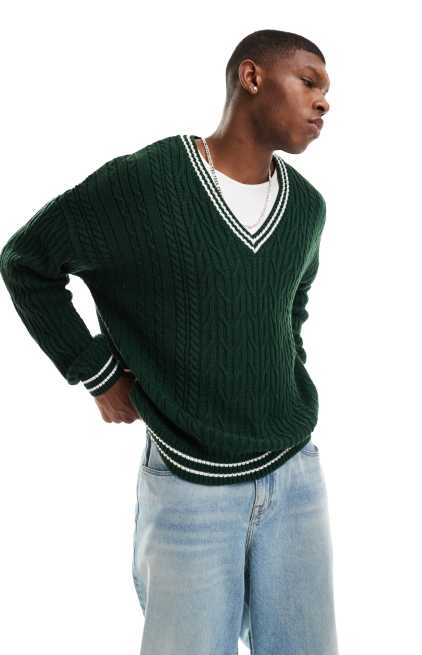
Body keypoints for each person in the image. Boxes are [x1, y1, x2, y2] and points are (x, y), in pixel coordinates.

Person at [0, 28, 337, 655]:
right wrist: (96, 371)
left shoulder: (306, 209)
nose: (324, 102)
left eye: (327, 92)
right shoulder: (148, 184)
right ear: (252, 77)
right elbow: (27, 261)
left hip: (295, 478)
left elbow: (290, 311)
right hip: (190, 485)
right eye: (309, 82)